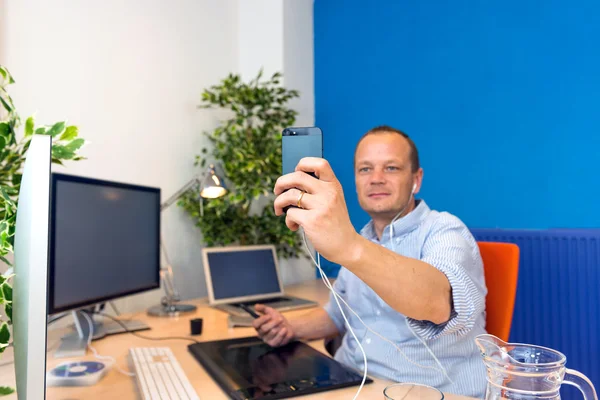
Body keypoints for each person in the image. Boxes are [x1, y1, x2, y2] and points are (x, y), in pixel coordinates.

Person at [252, 125, 488, 397]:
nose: (376, 179)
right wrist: (289, 327)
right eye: (365, 169)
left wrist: (348, 245)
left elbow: (438, 303)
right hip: (350, 383)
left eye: (391, 168)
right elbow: (338, 314)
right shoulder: (363, 237)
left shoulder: (446, 230)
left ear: (416, 179)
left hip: (429, 391)